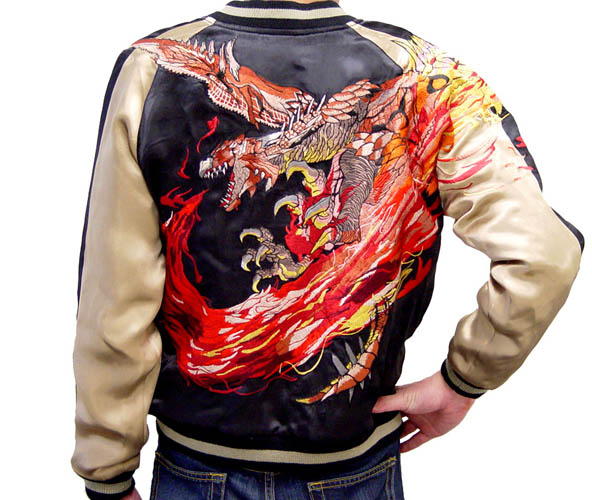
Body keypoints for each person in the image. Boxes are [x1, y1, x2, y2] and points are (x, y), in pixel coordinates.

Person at [71, 1, 585, 499]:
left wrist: (106, 467)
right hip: (356, 469)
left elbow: (114, 297)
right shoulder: (427, 73)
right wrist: (465, 380)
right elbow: (544, 255)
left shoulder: (151, 70)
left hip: (198, 471)